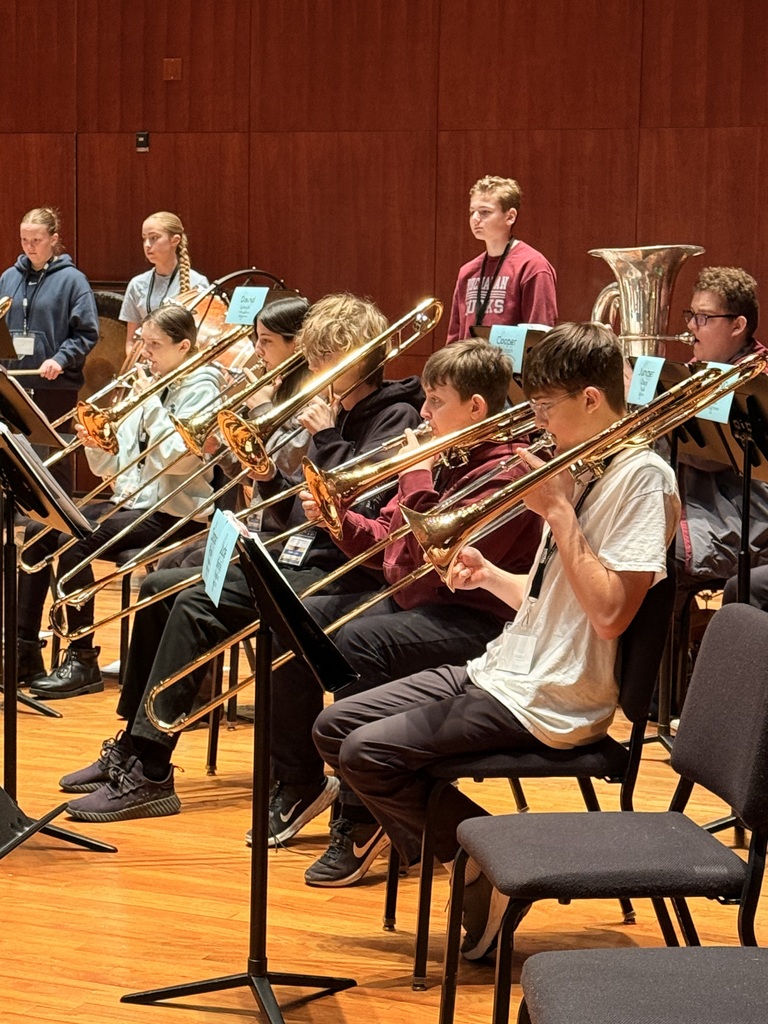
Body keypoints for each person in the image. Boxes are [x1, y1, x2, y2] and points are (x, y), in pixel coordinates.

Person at [313, 321, 680, 958]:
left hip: (554, 695)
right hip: (505, 664)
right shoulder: (581, 463)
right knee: (334, 728)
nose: (535, 423)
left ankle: (485, 857)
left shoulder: (642, 480)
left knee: (367, 755)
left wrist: (559, 513)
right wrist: (491, 575)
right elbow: (547, 600)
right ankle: (476, 857)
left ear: (591, 399)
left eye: (544, 408)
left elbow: (611, 615)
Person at [58, 293, 425, 823]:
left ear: (352, 355)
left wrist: (322, 437)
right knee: (159, 590)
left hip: (345, 573)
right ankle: (136, 747)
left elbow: (359, 509)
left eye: (323, 359)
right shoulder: (339, 408)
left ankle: (154, 772)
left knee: (194, 605)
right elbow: (295, 512)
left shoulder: (395, 416)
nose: (315, 370)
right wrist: (268, 477)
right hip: (298, 554)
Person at [263, 339, 542, 888]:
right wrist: (338, 522)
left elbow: (430, 559)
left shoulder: (506, 473)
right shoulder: (449, 453)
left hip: (473, 620)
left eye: (436, 401)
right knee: (292, 622)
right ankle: (298, 783)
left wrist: (415, 474)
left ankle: (363, 817)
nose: (423, 413)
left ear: (476, 408)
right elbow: (390, 544)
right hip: (417, 601)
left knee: (355, 646)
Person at [19, 305, 223, 695]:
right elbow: (115, 471)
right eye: (143, 342)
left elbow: (177, 464)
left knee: (74, 544)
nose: (144, 353)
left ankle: (83, 661)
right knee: (37, 528)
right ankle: (24, 651)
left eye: (155, 345)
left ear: (184, 347)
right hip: (133, 503)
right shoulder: (149, 381)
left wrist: (149, 404)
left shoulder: (202, 389)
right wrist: (97, 445)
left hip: (177, 513)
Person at [154, 294, 312, 569]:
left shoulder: (311, 397)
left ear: (295, 344)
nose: (257, 349)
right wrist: (220, 452)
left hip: (280, 528)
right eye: (256, 339)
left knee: (183, 568)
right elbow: (248, 475)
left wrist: (261, 408)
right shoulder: (274, 388)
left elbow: (284, 465)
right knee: (171, 562)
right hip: (250, 518)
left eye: (266, 340)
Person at [0, 206, 99, 491]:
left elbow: (87, 333)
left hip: (53, 386)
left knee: (54, 461)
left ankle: (59, 530)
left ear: (54, 239)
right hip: (14, 383)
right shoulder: (9, 278)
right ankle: (22, 519)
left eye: (36, 240)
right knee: (14, 458)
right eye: (24, 240)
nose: (29, 247)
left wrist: (60, 358)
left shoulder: (73, 280)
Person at [446, 176, 557, 344]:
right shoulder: (467, 272)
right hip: (468, 368)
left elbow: (540, 335)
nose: (475, 218)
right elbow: (455, 336)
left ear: (510, 217)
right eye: (472, 211)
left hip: (510, 369)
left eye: (485, 212)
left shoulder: (532, 266)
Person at [119, 211, 209, 355]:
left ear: (175, 240)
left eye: (154, 238)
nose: (147, 245)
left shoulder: (197, 283)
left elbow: (202, 339)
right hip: (147, 363)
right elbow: (131, 341)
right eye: (144, 239)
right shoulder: (137, 284)